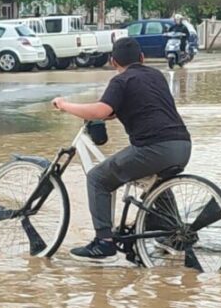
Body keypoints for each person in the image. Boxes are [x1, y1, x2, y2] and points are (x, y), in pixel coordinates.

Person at [52, 37, 192, 261]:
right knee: (156, 182)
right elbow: (126, 108)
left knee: (98, 178)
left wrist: (66, 105)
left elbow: (101, 110)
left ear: (113, 61)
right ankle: (171, 233)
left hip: (154, 148)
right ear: (142, 58)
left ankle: (104, 241)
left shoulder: (121, 81)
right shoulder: (156, 75)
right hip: (183, 146)